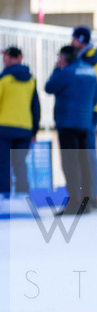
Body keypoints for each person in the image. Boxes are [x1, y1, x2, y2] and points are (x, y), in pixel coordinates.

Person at [45, 46, 97, 216]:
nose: (58, 59)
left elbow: (49, 87)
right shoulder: (90, 71)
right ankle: (86, 202)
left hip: (67, 123)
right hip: (85, 123)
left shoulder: (66, 72)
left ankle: (74, 203)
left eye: (59, 56)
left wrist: (56, 69)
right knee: (84, 163)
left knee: (70, 164)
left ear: (65, 57)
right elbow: (95, 98)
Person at [0, 46, 41, 200]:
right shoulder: (30, 80)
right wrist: (35, 131)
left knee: (3, 165)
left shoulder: (4, 79)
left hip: (4, 129)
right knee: (20, 165)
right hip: (25, 129)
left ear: (10, 59)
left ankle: (4, 198)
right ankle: (24, 197)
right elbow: (35, 107)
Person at [70, 26, 97, 206]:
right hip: (85, 108)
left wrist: (89, 107)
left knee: (89, 151)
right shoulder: (85, 58)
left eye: (74, 39)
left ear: (81, 40)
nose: (71, 42)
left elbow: (94, 87)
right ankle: (89, 193)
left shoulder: (92, 60)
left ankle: (94, 194)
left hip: (89, 109)